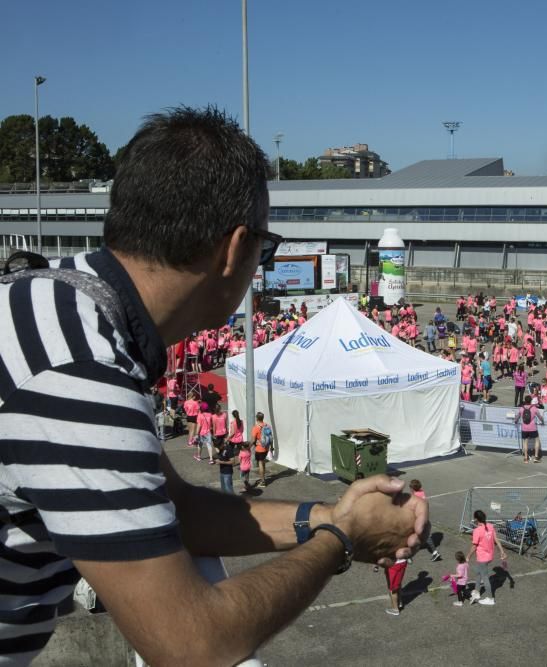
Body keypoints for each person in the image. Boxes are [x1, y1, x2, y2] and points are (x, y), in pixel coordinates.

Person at [0, 107, 428, 666]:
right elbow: (191, 646)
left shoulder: (49, 302)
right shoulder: (77, 371)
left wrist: (325, 516)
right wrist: (342, 542)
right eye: (266, 249)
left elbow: (174, 506)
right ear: (235, 250)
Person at [469, 509, 506, 606]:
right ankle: (477, 592)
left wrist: (467, 556)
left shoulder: (477, 531)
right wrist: (502, 551)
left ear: (476, 519)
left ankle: (490, 598)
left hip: (482, 558)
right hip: (489, 556)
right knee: (478, 572)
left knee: (485, 577)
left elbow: (474, 546)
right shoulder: (490, 526)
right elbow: (496, 539)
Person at [408, 480, 442, 561]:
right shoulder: (422, 492)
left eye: (410, 487)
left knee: (409, 535)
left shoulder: (415, 497)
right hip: (425, 517)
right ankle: (434, 552)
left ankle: (409, 556)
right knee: (426, 535)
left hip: (418, 519)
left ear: (412, 488)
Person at [251, 411, 272, 486]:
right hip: (266, 447)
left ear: (257, 418)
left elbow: (253, 440)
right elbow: (270, 437)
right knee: (263, 462)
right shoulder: (267, 425)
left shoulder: (256, 428)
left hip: (259, 448)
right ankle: (263, 478)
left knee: (260, 463)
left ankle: (263, 481)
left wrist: (249, 447)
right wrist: (271, 447)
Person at [519, 398, 544, 463]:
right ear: (530, 401)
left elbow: (517, 417)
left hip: (524, 428)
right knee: (537, 440)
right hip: (533, 428)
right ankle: (536, 457)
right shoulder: (534, 408)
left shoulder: (521, 408)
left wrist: (515, 421)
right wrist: (542, 421)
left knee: (525, 442)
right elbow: (540, 417)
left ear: (525, 400)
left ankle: (526, 458)